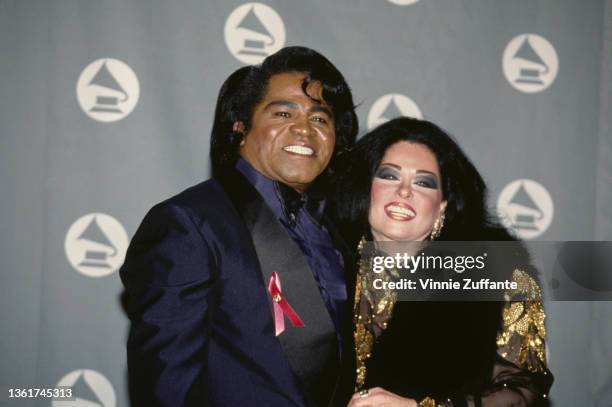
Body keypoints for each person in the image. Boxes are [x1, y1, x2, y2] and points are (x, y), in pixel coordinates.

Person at [120, 46, 358, 406]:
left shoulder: (338, 232)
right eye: (283, 113)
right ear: (240, 126)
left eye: (320, 119)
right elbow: (166, 389)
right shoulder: (190, 224)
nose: (304, 130)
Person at [329, 117, 553, 407]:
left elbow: (524, 392)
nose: (404, 191)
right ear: (364, 187)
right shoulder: (321, 258)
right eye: (389, 175)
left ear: (442, 206)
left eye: (423, 182)